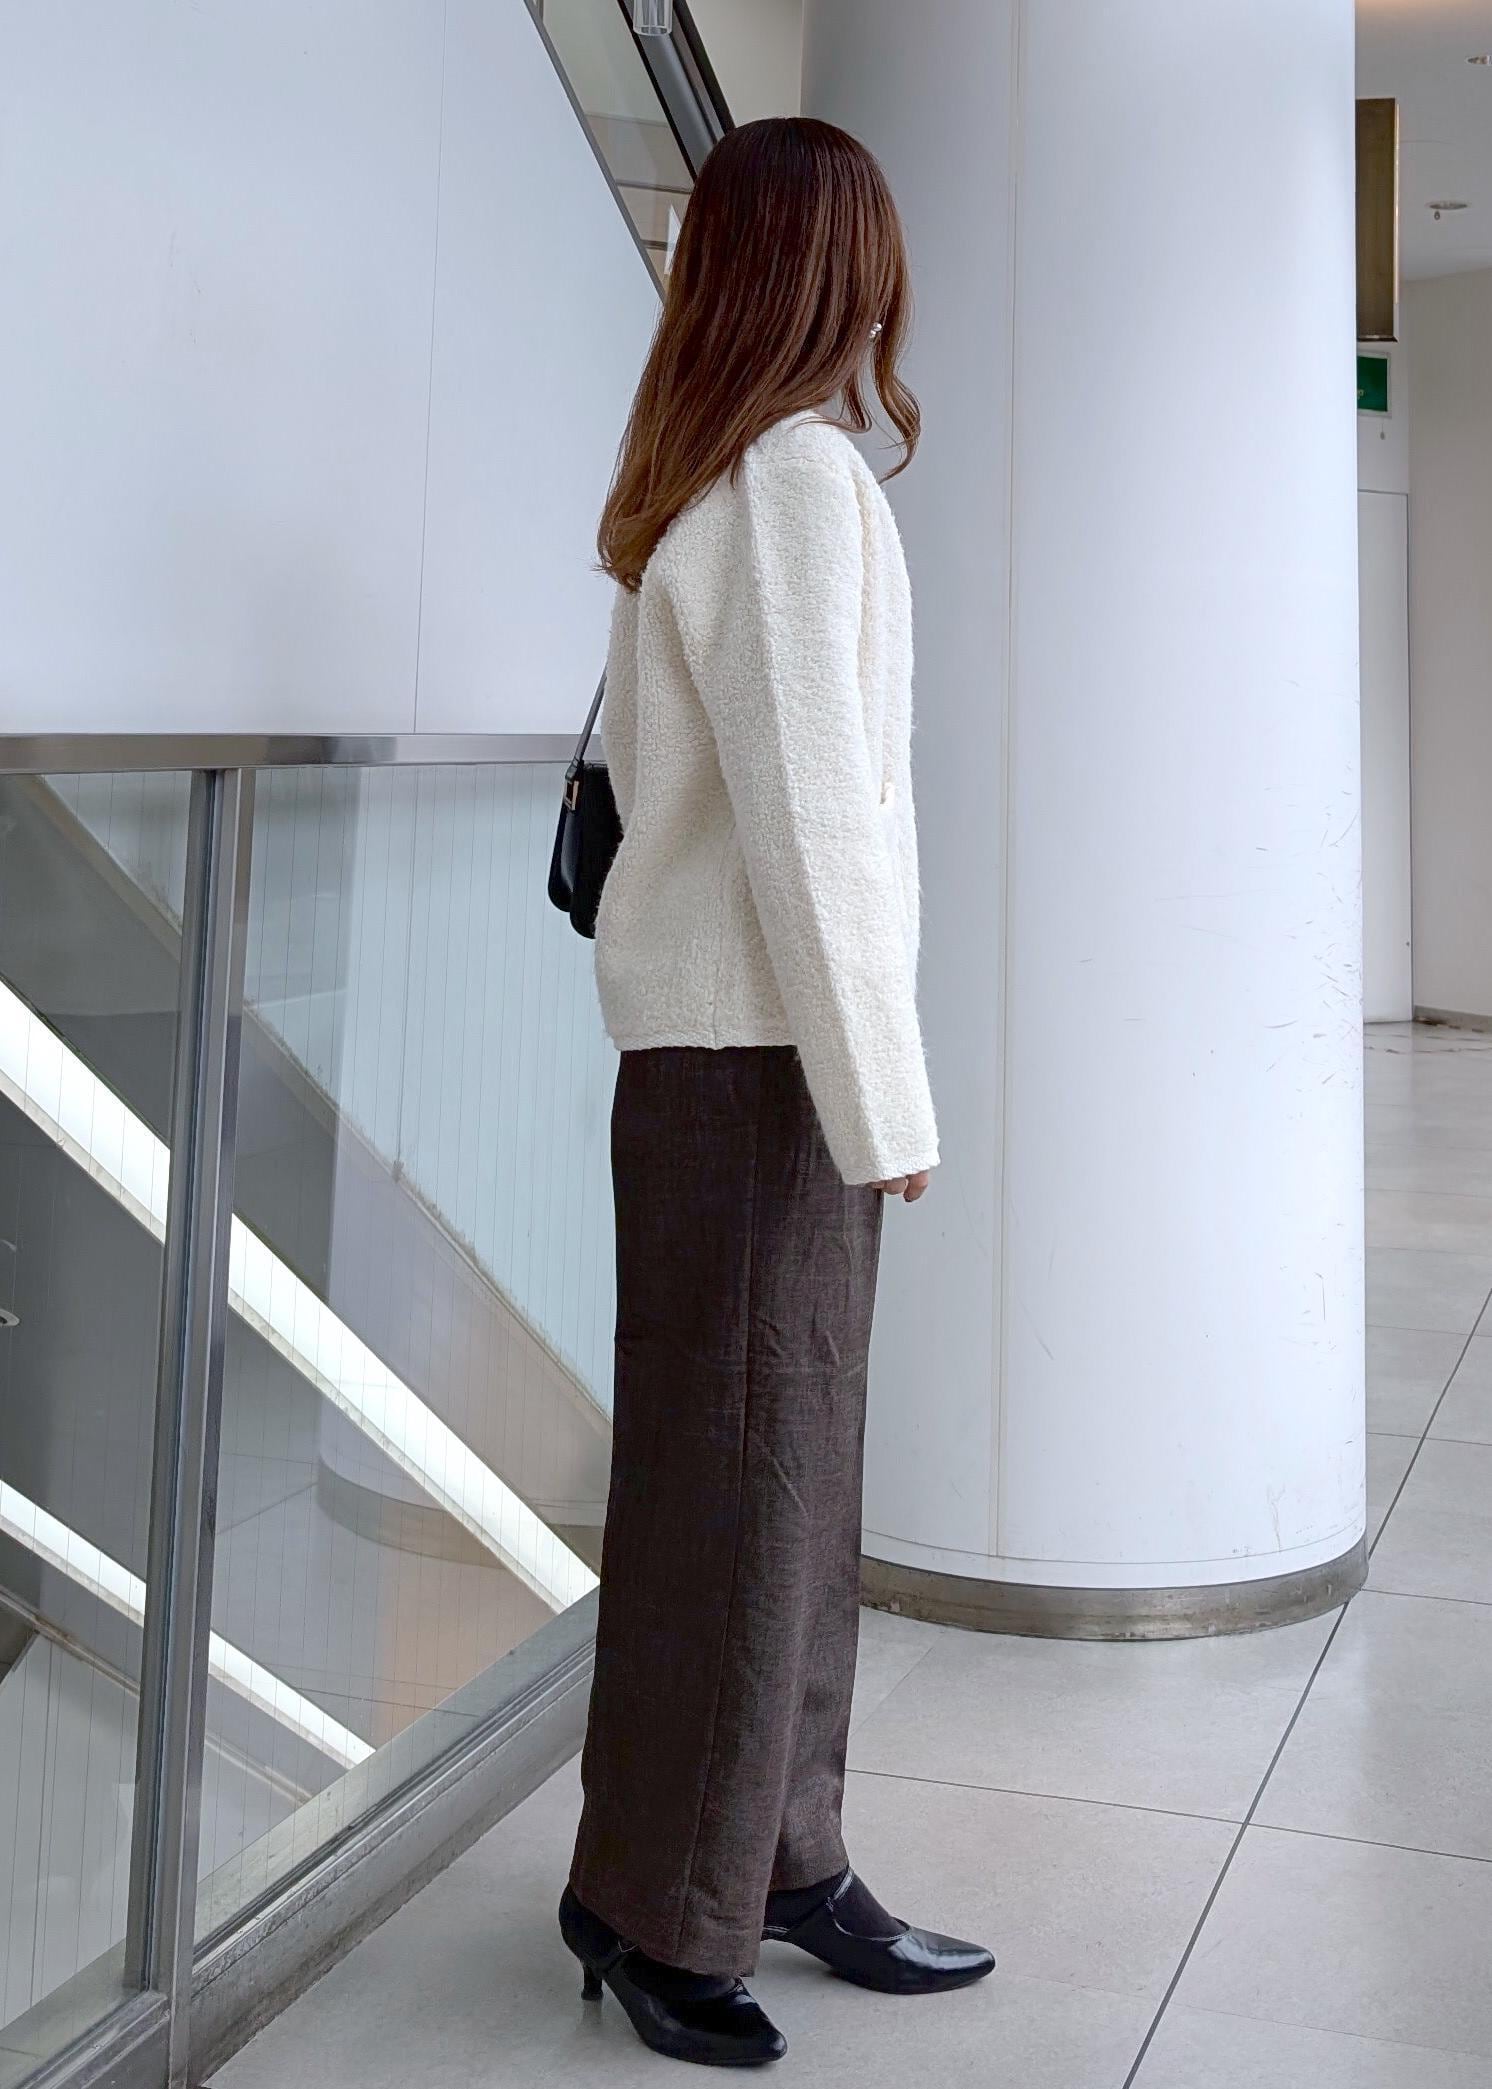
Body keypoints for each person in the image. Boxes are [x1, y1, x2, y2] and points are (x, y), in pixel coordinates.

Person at [559, 115, 994, 2068]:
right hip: (766, 1068)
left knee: (754, 1488)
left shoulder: (705, 480)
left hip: (718, 1062)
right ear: (842, 267)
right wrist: (881, 1095)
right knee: (749, 1499)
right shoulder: (795, 483)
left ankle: (769, 1856)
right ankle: (672, 1902)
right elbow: (818, 822)